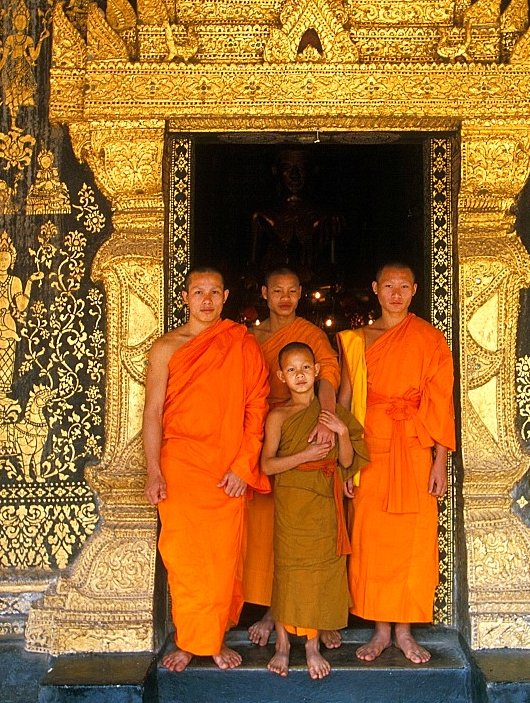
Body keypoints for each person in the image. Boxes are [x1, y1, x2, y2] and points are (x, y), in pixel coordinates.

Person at [143, 267, 269, 672]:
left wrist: (242, 465)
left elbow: (256, 408)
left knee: (221, 557)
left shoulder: (241, 344)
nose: (207, 299)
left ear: (226, 295)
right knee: (183, 557)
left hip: (225, 467)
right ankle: (188, 639)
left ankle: (212, 639)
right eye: (199, 292)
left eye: (215, 291)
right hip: (180, 464)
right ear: (185, 297)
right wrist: (152, 471)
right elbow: (153, 414)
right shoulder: (166, 348)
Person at [338, 263, 455, 665]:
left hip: (415, 449)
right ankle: (379, 630)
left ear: (415, 290)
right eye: (388, 285)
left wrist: (439, 461)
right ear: (375, 289)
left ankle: (404, 632)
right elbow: (346, 406)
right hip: (371, 451)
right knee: (371, 541)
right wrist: (347, 463)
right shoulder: (357, 341)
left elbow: (441, 404)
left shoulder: (430, 339)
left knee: (413, 544)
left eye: (404, 286)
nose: (396, 293)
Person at [244, 267, 341, 647]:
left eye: (292, 291)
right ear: (264, 293)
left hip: (305, 422)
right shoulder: (250, 337)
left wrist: (325, 419)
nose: (284, 297)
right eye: (277, 290)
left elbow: (329, 373)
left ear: (301, 294)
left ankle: (311, 613)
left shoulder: (311, 335)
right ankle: (272, 607)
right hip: (266, 426)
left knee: (307, 531)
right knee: (268, 529)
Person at [261, 343, 369, 680]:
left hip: (325, 498)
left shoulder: (331, 412)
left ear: (317, 372)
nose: (300, 375)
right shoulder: (278, 416)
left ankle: (311, 645)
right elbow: (267, 465)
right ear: (281, 376)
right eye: (291, 370)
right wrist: (303, 457)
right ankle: (282, 644)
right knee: (290, 570)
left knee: (322, 569)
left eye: (306, 368)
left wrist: (341, 433)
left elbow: (347, 461)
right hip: (292, 500)